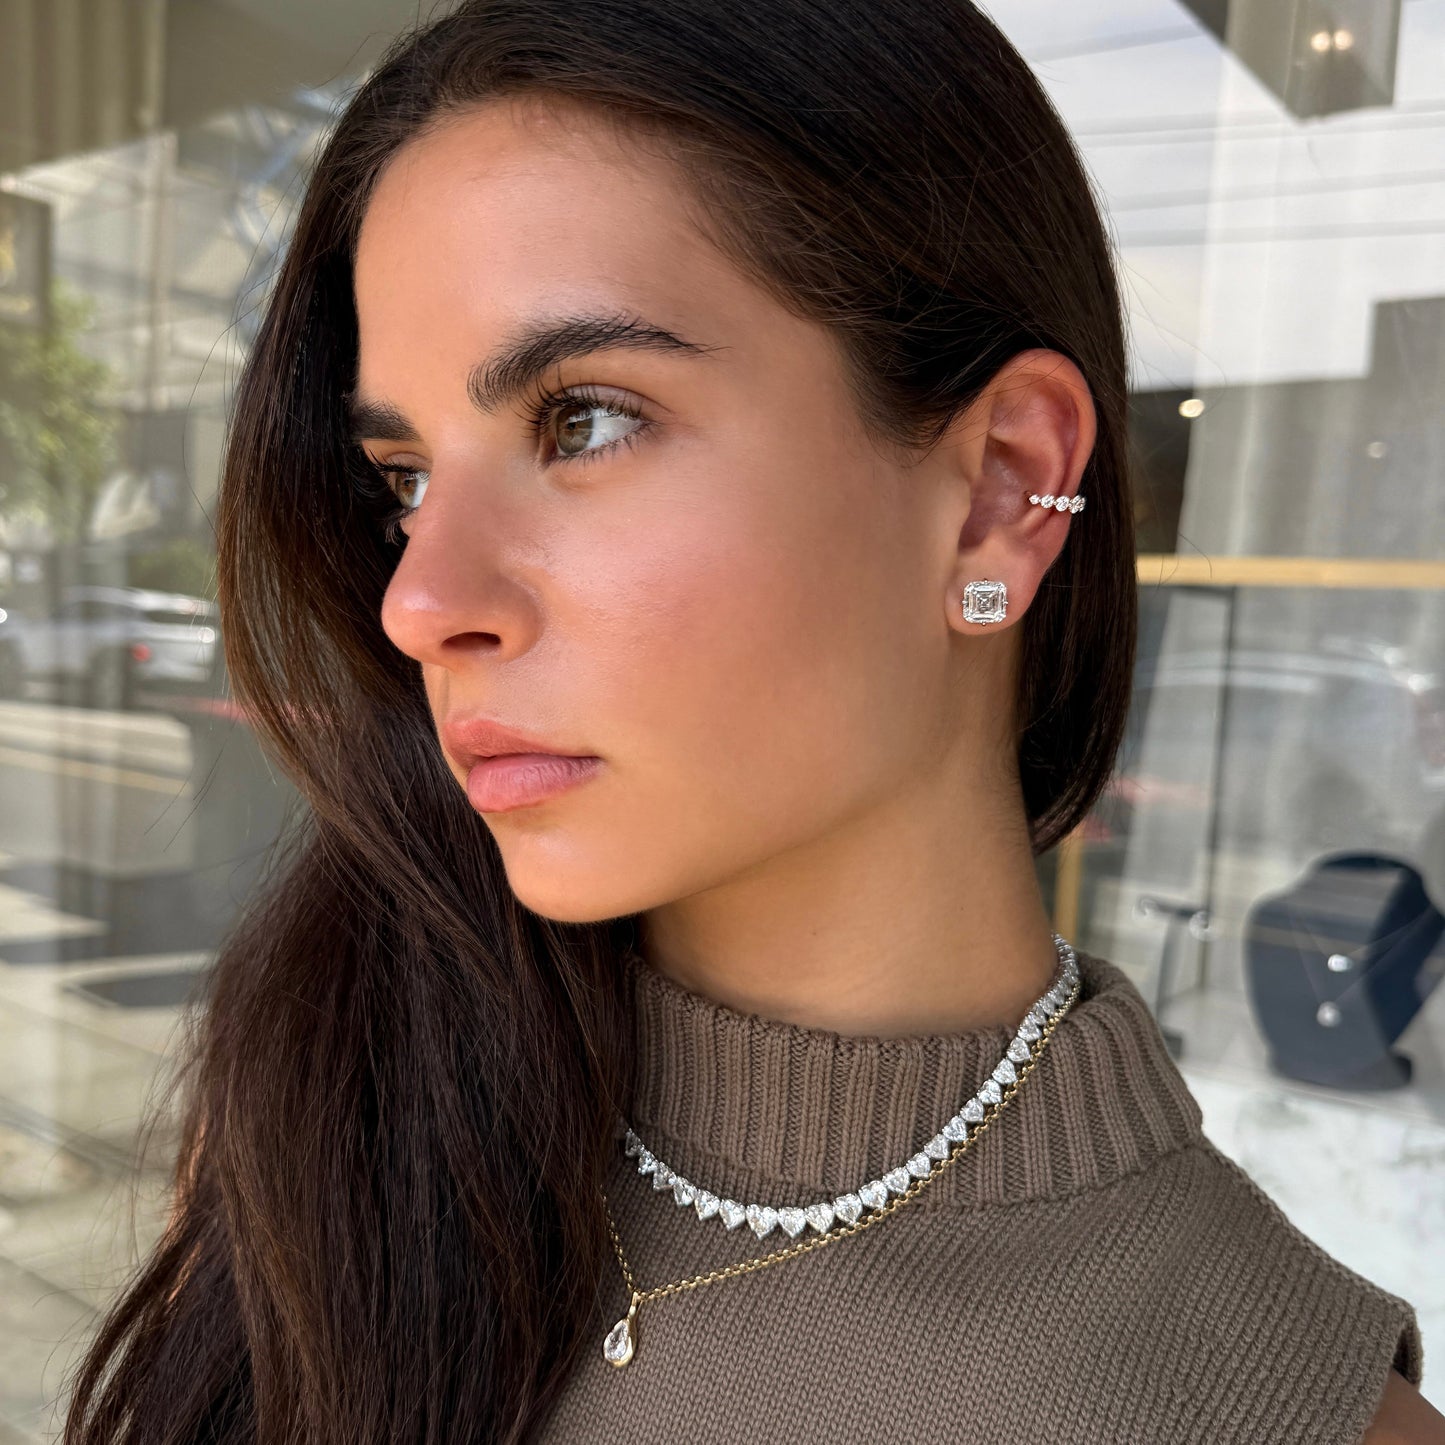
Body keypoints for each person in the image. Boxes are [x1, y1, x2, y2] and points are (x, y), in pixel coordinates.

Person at [59, 1, 1435, 1441]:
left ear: (999, 493)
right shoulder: (332, 1123)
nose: (420, 602)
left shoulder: (1268, 1409)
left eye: (584, 420)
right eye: (405, 478)